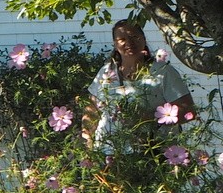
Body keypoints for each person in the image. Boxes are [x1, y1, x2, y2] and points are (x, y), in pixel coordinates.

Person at [84, 20, 196, 154]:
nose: (129, 43)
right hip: (109, 152)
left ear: (143, 38)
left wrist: (149, 118)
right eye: (122, 39)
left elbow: (188, 111)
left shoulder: (163, 72)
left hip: (155, 152)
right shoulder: (106, 72)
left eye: (134, 37)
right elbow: (91, 110)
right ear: (115, 44)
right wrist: (88, 143)